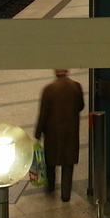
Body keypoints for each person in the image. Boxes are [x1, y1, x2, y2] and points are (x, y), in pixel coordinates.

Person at [35, 68, 84, 201]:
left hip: (52, 133)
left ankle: (50, 188)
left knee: (50, 162)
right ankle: (66, 194)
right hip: (70, 132)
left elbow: (43, 114)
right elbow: (81, 106)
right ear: (67, 71)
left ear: (56, 72)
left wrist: (38, 133)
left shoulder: (49, 89)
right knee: (68, 164)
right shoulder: (76, 87)